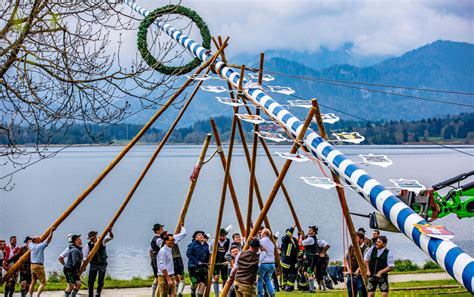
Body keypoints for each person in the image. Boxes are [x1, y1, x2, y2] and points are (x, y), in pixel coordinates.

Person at [83, 229, 114, 297]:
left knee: (100, 281)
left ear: (95, 236)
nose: (92, 239)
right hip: (93, 264)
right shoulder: (88, 245)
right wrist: (84, 266)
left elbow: (111, 237)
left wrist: (110, 231)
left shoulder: (102, 239)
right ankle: (90, 295)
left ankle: (98, 294)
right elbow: (85, 257)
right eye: (91, 239)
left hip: (103, 263)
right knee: (91, 281)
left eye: (93, 238)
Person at [300, 226, 330, 292]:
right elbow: (304, 246)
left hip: (320, 259)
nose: (309, 231)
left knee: (319, 273)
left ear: (314, 232)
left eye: (311, 230)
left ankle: (323, 287)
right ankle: (311, 287)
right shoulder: (308, 239)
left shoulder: (318, 241)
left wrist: (322, 253)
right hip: (312, 258)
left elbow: (327, 245)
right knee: (306, 272)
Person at [26, 227, 55, 297]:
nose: (40, 238)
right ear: (35, 240)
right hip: (39, 266)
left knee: (33, 282)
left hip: (32, 265)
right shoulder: (40, 246)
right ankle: (38, 295)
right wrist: (51, 231)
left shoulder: (31, 245)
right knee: (43, 282)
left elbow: (28, 241)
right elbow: (48, 239)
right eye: (39, 238)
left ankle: (30, 295)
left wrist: (31, 239)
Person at [186, 231, 210, 297]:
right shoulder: (192, 245)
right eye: (199, 235)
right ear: (196, 238)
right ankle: (193, 291)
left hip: (203, 267)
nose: (202, 236)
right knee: (195, 283)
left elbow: (208, 255)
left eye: (202, 235)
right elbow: (189, 254)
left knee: (203, 283)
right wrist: (197, 262)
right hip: (193, 267)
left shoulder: (206, 245)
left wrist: (208, 263)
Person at [345, 231, 368, 297]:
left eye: (356, 238)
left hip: (361, 275)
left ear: (362, 239)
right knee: (351, 294)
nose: (354, 239)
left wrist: (358, 270)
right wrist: (348, 269)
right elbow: (346, 258)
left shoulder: (366, 249)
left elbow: (365, 261)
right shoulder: (351, 246)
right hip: (351, 274)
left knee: (362, 294)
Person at [210, 228, 230, 297]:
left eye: (223, 236)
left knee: (225, 278)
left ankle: (223, 293)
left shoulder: (228, 241)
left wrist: (227, 261)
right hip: (215, 261)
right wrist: (211, 263)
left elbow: (229, 252)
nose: (222, 237)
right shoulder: (214, 241)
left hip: (224, 261)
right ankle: (216, 295)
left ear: (225, 236)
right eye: (220, 236)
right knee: (216, 277)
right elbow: (210, 252)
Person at [257, 228, 275, 297]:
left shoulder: (260, 241)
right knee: (268, 279)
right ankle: (272, 293)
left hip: (264, 263)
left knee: (260, 280)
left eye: (261, 233)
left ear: (264, 233)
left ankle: (260, 295)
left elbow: (258, 252)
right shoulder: (272, 243)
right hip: (272, 264)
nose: (260, 234)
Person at [280, 227, 298, 291]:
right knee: (286, 274)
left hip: (293, 261)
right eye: (290, 234)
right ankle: (285, 286)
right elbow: (287, 236)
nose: (291, 235)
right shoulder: (284, 239)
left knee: (292, 274)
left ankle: (289, 287)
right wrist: (292, 228)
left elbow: (297, 248)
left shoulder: (294, 240)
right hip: (286, 261)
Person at [171, 225, 187, 297]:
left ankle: (176, 292)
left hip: (170, 260)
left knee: (175, 278)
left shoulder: (159, 240)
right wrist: (182, 227)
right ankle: (179, 292)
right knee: (181, 277)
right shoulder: (173, 238)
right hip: (177, 258)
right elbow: (184, 233)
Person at [150, 223, 165, 297]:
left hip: (154, 259)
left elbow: (150, 251)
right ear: (157, 231)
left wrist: (152, 260)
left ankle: (153, 295)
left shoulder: (152, 239)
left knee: (156, 278)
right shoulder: (158, 239)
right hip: (158, 259)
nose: (163, 230)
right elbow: (163, 248)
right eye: (161, 229)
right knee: (160, 278)